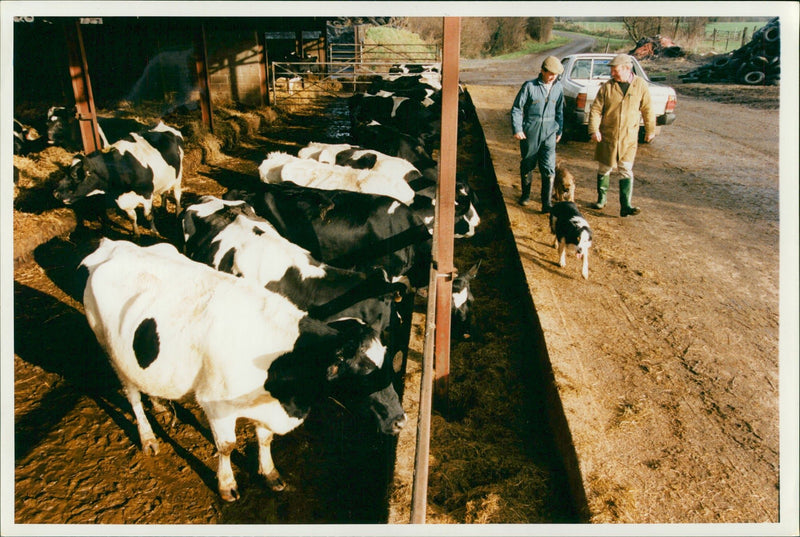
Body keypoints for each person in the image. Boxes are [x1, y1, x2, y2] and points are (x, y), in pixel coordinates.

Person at [587, 53, 655, 217]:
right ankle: (601, 199)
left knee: (626, 169)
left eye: (615, 70)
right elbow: (596, 109)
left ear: (627, 68)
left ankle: (626, 205)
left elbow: (648, 109)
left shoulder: (640, 85)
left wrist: (650, 130)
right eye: (611, 70)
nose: (612, 74)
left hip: (629, 137)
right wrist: (594, 130)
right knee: (605, 167)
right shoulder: (607, 87)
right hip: (608, 136)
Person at [511, 55, 564, 212]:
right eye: (550, 74)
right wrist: (518, 129)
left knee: (548, 167)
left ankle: (546, 203)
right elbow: (517, 108)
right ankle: (525, 195)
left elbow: (560, 111)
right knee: (528, 163)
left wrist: (559, 129)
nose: (553, 77)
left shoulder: (558, 87)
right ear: (542, 71)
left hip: (550, 131)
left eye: (556, 75)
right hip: (531, 131)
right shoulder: (529, 86)